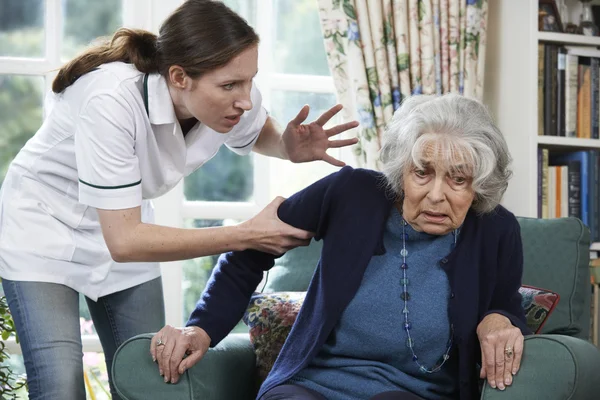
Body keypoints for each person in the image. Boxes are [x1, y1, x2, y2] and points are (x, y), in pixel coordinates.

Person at [0, 1, 359, 399]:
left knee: (150, 379)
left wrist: (287, 146)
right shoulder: (110, 100)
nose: (245, 99)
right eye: (230, 86)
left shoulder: (231, 97)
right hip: (45, 227)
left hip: (125, 222)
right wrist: (242, 235)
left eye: (249, 81)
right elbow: (125, 242)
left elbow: (256, 130)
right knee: (60, 384)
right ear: (179, 77)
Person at [152, 93, 532, 400]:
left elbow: (505, 306)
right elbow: (250, 249)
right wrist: (200, 328)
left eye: (458, 179)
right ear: (401, 169)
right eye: (422, 172)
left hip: (411, 393)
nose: (436, 195)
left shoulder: (496, 231)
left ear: (479, 186)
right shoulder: (351, 193)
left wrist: (501, 318)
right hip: (309, 386)